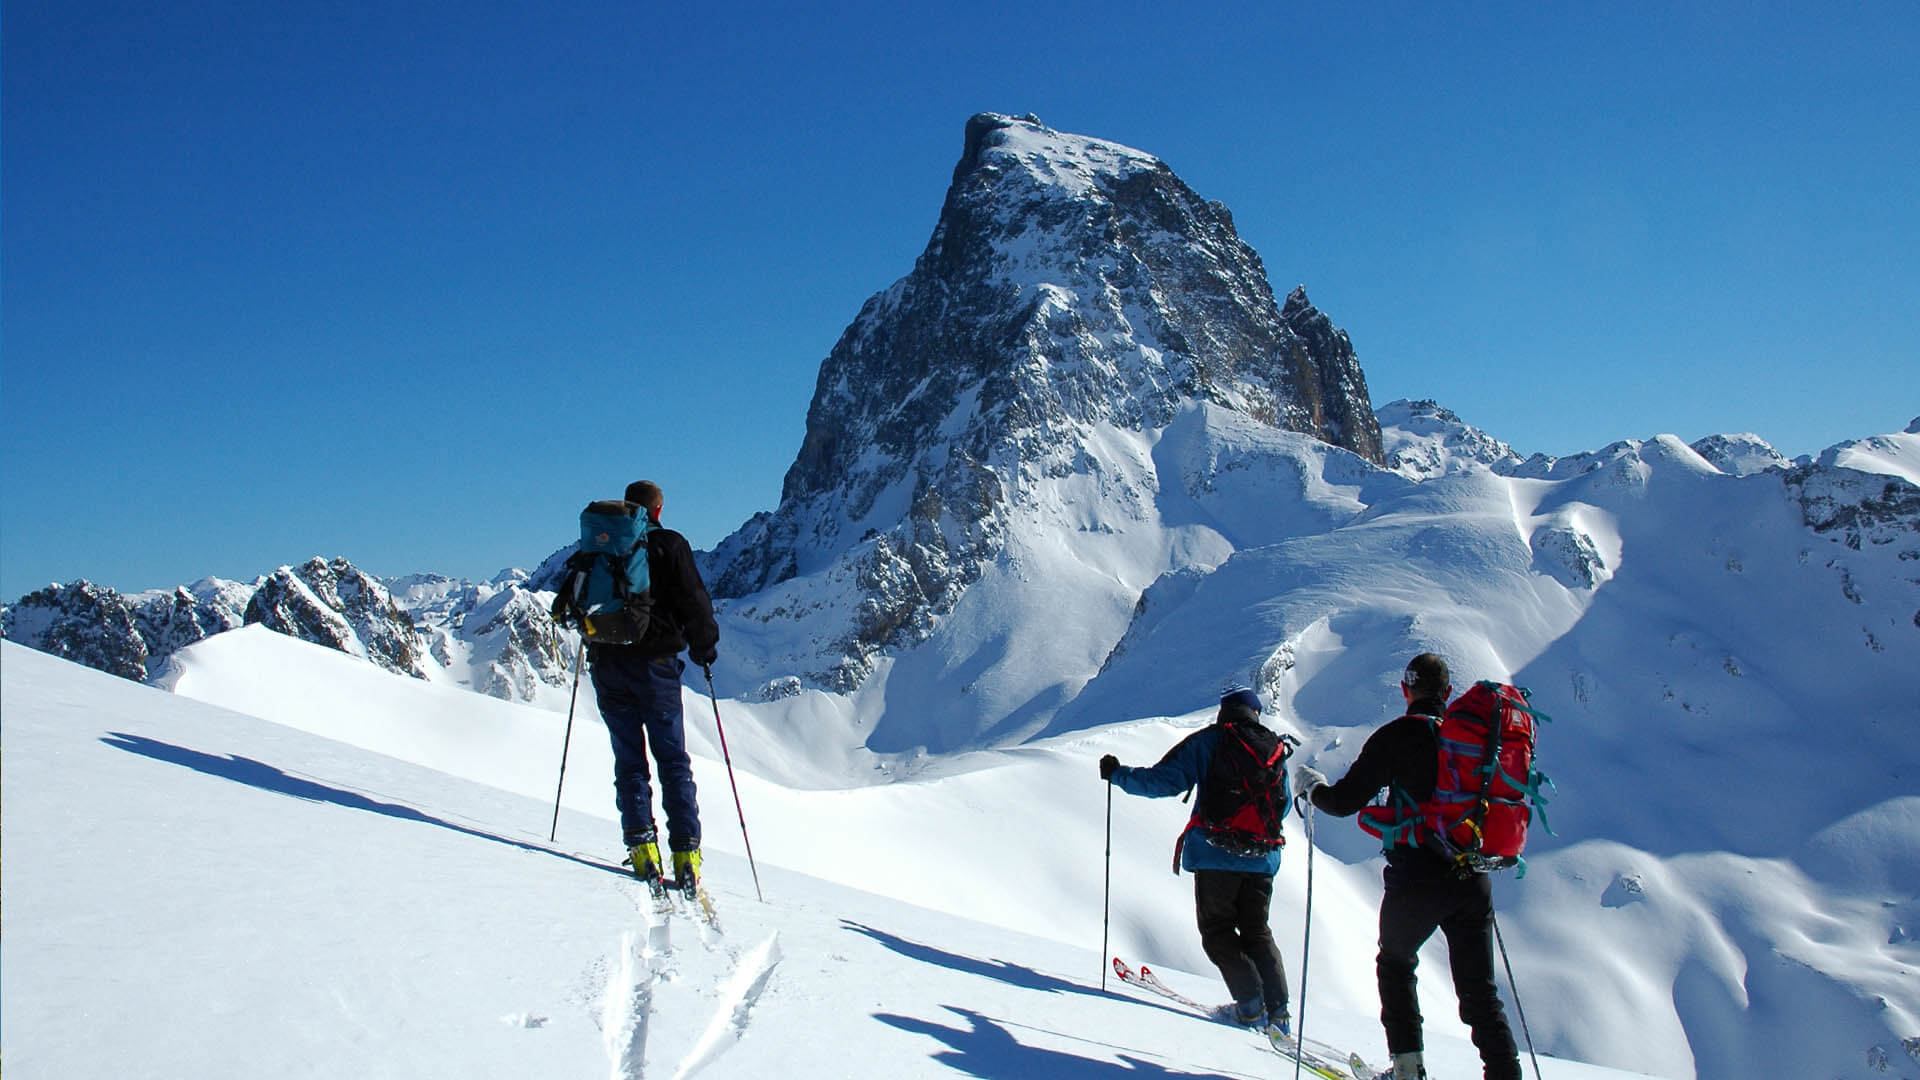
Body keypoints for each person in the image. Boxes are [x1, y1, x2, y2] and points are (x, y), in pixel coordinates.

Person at [1293, 653, 1521, 1080]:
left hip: (1417, 878)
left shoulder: (1396, 737)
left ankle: (1407, 1069)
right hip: (1473, 875)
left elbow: (1344, 802)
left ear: (1405, 691)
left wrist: (1312, 788)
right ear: (1448, 694)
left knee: (1396, 964)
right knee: (1480, 994)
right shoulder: (1472, 742)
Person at [1099, 687, 1292, 1040]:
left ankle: (1250, 1006)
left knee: (1217, 932)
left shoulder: (1210, 742)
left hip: (1215, 856)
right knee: (1258, 933)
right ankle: (1279, 1015)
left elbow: (1164, 781)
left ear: (1225, 712)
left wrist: (1118, 774)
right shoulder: (1275, 749)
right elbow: (1285, 804)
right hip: (1262, 859)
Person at [588, 480, 720, 891]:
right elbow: (695, 603)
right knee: (673, 761)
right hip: (655, 668)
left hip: (607, 664)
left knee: (629, 761)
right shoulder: (670, 545)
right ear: (657, 510)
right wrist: (705, 649)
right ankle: (685, 854)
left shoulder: (600, 545)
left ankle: (642, 849)